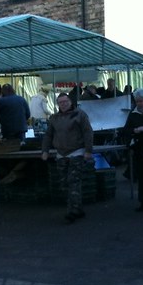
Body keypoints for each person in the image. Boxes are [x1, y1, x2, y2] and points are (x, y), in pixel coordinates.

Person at [42, 93, 93, 223]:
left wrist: (88, 150)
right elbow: (48, 135)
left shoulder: (80, 115)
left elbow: (88, 132)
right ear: (58, 104)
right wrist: (45, 150)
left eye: (65, 101)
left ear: (70, 102)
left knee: (73, 181)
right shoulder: (54, 118)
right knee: (64, 184)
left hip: (77, 152)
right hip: (61, 154)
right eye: (60, 102)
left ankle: (72, 211)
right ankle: (78, 209)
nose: (63, 104)